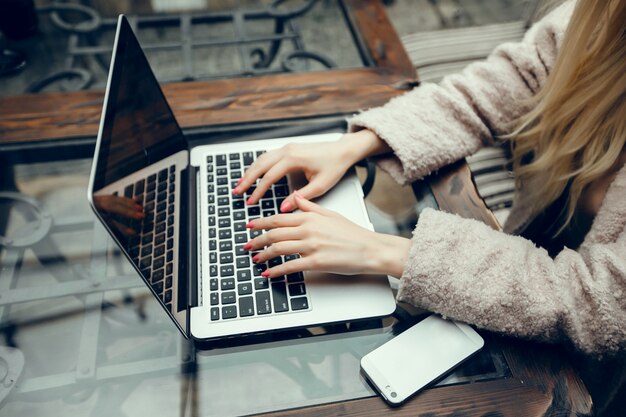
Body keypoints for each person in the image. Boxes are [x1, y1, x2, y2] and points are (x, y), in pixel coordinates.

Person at [233, 0, 625, 413]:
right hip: (527, 265)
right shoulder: (598, 19)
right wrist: (353, 145)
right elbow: (504, 83)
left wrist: (380, 250)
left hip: (589, 378)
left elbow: (589, 303)